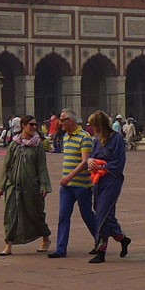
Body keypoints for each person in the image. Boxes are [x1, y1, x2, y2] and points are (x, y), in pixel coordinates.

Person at [0, 114, 51, 256]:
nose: (34, 127)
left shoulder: (37, 145)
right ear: (23, 126)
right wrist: (2, 186)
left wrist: (44, 185)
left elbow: (42, 167)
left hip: (31, 186)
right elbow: (6, 165)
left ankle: (45, 238)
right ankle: (8, 245)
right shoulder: (14, 144)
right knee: (11, 214)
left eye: (35, 125)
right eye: (31, 125)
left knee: (35, 214)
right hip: (13, 185)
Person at [47, 110, 94, 259]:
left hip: (81, 184)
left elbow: (85, 161)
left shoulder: (84, 137)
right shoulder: (66, 137)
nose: (60, 123)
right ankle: (61, 249)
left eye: (62, 120)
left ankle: (100, 240)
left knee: (87, 215)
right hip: (67, 186)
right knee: (63, 216)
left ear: (71, 121)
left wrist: (69, 176)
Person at [86, 110, 131, 263]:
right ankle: (122, 238)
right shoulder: (98, 140)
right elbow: (93, 156)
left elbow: (119, 163)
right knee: (105, 212)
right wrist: (91, 162)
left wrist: (103, 167)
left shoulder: (116, 139)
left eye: (93, 125)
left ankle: (101, 250)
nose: (92, 128)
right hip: (99, 180)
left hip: (112, 180)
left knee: (102, 213)